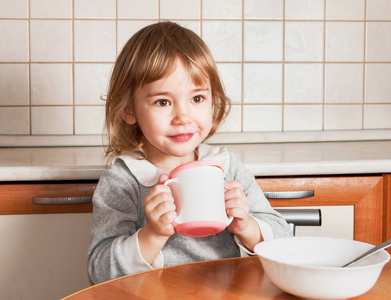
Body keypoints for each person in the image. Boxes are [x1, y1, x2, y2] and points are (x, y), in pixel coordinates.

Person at [88, 21, 292, 284]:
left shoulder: (227, 167)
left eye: (197, 98)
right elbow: (99, 270)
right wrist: (153, 234)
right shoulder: (124, 181)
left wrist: (247, 226)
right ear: (129, 110)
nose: (183, 117)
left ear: (212, 99)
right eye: (163, 102)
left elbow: (284, 239)